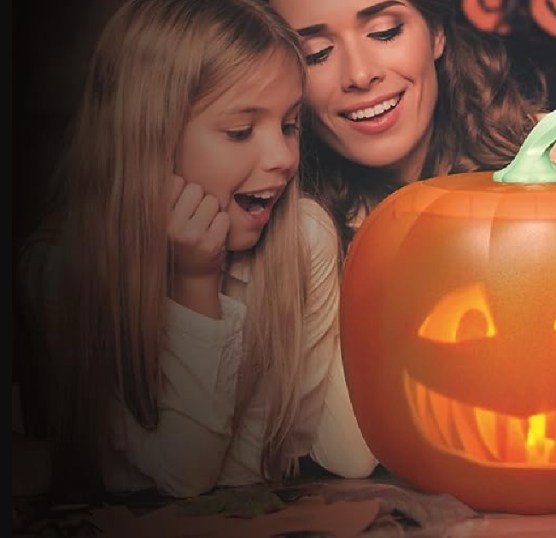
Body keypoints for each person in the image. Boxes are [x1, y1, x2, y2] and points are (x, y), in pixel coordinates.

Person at [16, 0, 375, 500]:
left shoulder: (304, 239)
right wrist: (195, 286)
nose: (282, 158)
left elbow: (345, 454)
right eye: (240, 131)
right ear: (152, 139)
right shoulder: (59, 269)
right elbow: (185, 480)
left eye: (290, 126)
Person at [266, 0, 556, 253]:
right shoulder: (284, 232)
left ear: (436, 32)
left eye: (384, 32)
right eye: (315, 53)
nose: (359, 74)